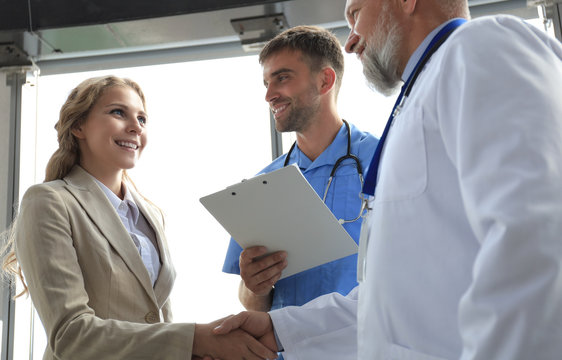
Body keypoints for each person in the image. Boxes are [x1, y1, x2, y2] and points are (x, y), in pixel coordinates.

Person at [213, 0, 562, 359]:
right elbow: (390, 299)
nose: (349, 42)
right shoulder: (419, 99)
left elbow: (539, 242)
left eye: (355, 14)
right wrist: (279, 328)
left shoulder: (483, 47)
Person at [1, 75, 277, 360]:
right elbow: (70, 336)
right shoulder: (49, 201)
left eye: (142, 119)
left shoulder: (151, 215)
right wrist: (197, 339)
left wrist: (205, 349)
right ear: (78, 125)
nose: (135, 127)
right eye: (118, 112)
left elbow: (157, 327)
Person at [221, 25, 378, 315]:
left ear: (324, 81)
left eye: (282, 78)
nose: (269, 95)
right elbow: (252, 301)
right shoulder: (261, 186)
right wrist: (255, 286)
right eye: (266, 83)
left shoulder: (383, 162)